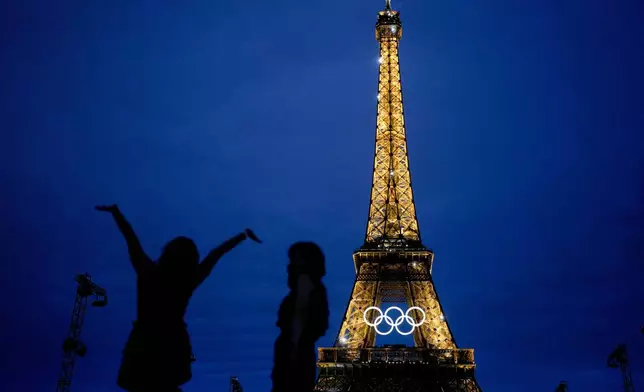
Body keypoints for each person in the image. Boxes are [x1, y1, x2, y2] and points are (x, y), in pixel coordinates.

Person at [95, 204, 261, 392]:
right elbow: (216, 254)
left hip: (146, 340)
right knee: (166, 385)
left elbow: (131, 239)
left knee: (141, 385)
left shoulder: (149, 271)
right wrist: (242, 236)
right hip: (172, 340)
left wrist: (116, 213)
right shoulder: (187, 279)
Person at [271, 242, 329, 392]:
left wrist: (293, 346)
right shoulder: (315, 286)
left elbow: (300, 315)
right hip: (301, 349)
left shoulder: (304, 282)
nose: (291, 263)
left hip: (294, 349)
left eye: (295, 258)